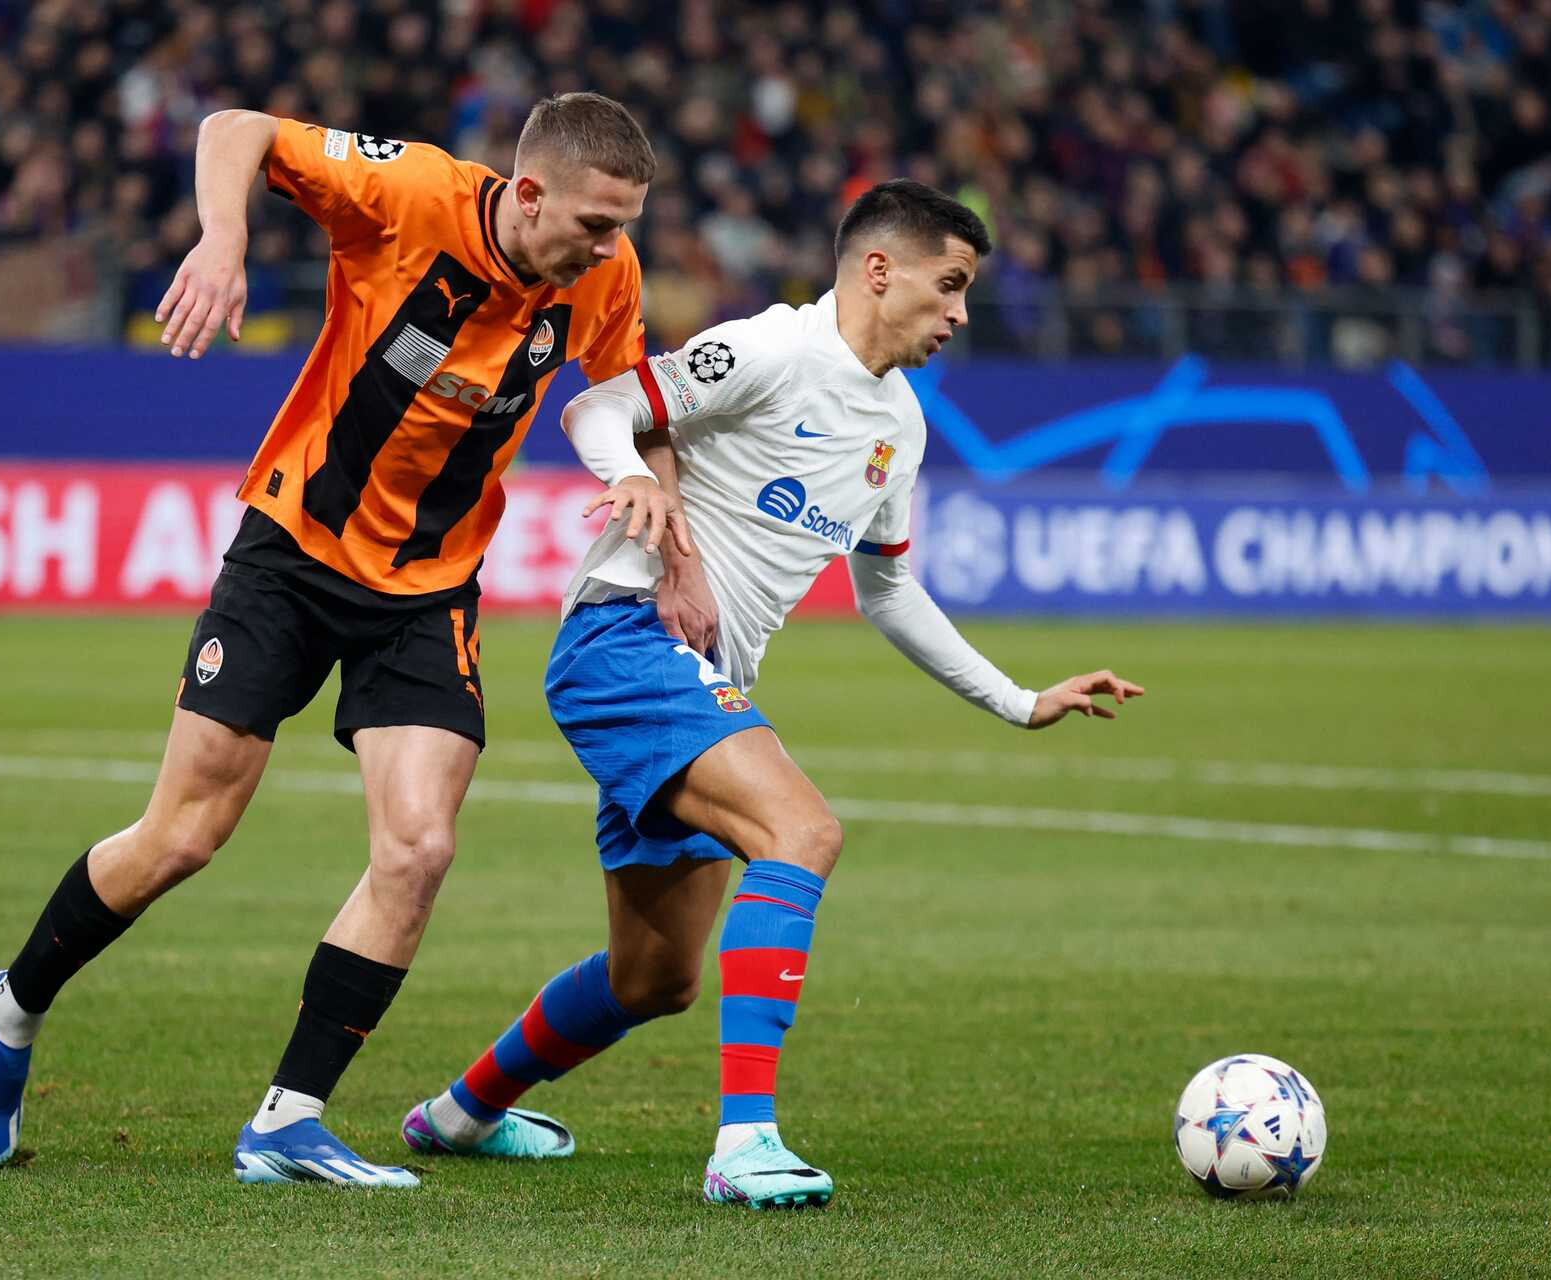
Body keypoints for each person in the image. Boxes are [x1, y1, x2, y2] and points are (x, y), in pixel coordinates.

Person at [0, 93, 684, 1187]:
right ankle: (10, 1004)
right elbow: (233, 128)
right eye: (594, 223)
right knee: (184, 834)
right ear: (528, 193)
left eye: (624, 225)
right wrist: (224, 237)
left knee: (419, 846)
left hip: (428, 592)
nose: (610, 247)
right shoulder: (409, 195)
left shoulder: (602, 277)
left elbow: (635, 404)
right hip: (293, 553)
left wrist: (663, 510)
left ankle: (287, 1119)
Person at [399, 180, 1144, 1208]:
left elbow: (885, 588)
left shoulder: (903, 425)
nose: (962, 315)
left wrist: (1019, 700)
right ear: (880, 270)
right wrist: (642, 483)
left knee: (652, 976)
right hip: (626, 635)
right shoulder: (771, 349)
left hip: (698, 677)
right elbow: (599, 406)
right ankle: (744, 1143)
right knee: (802, 830)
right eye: (952, 285)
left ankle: (458, 1114)